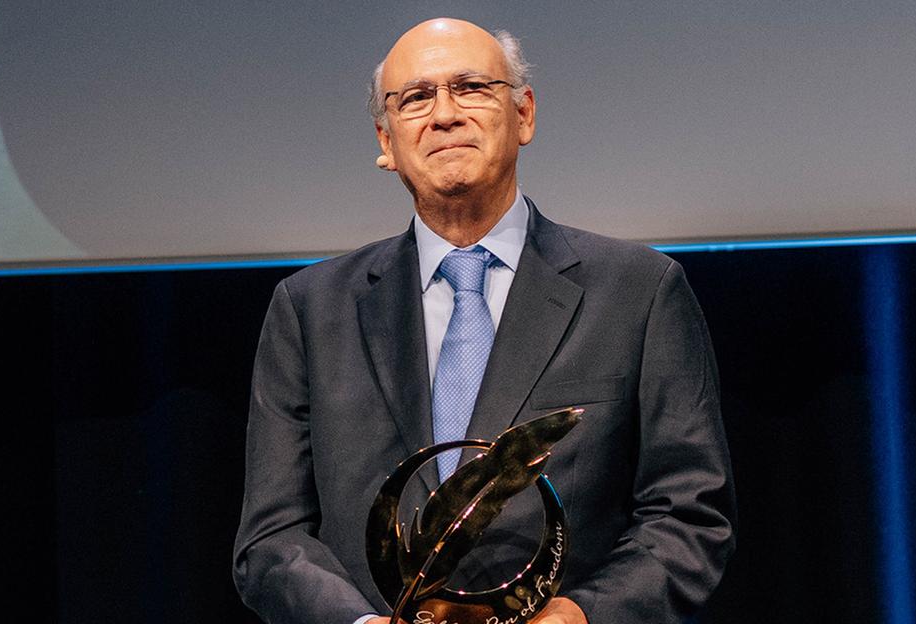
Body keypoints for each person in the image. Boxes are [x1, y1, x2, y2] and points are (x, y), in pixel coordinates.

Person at [233, 18, 735, 624]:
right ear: (386, 141)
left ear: (524, 114)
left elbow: (689, 515)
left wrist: (583, 616)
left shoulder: (639, 292)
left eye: (471, 87)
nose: (444, 115)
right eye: (415, 98)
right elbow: (272, 538)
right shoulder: (310, 310)